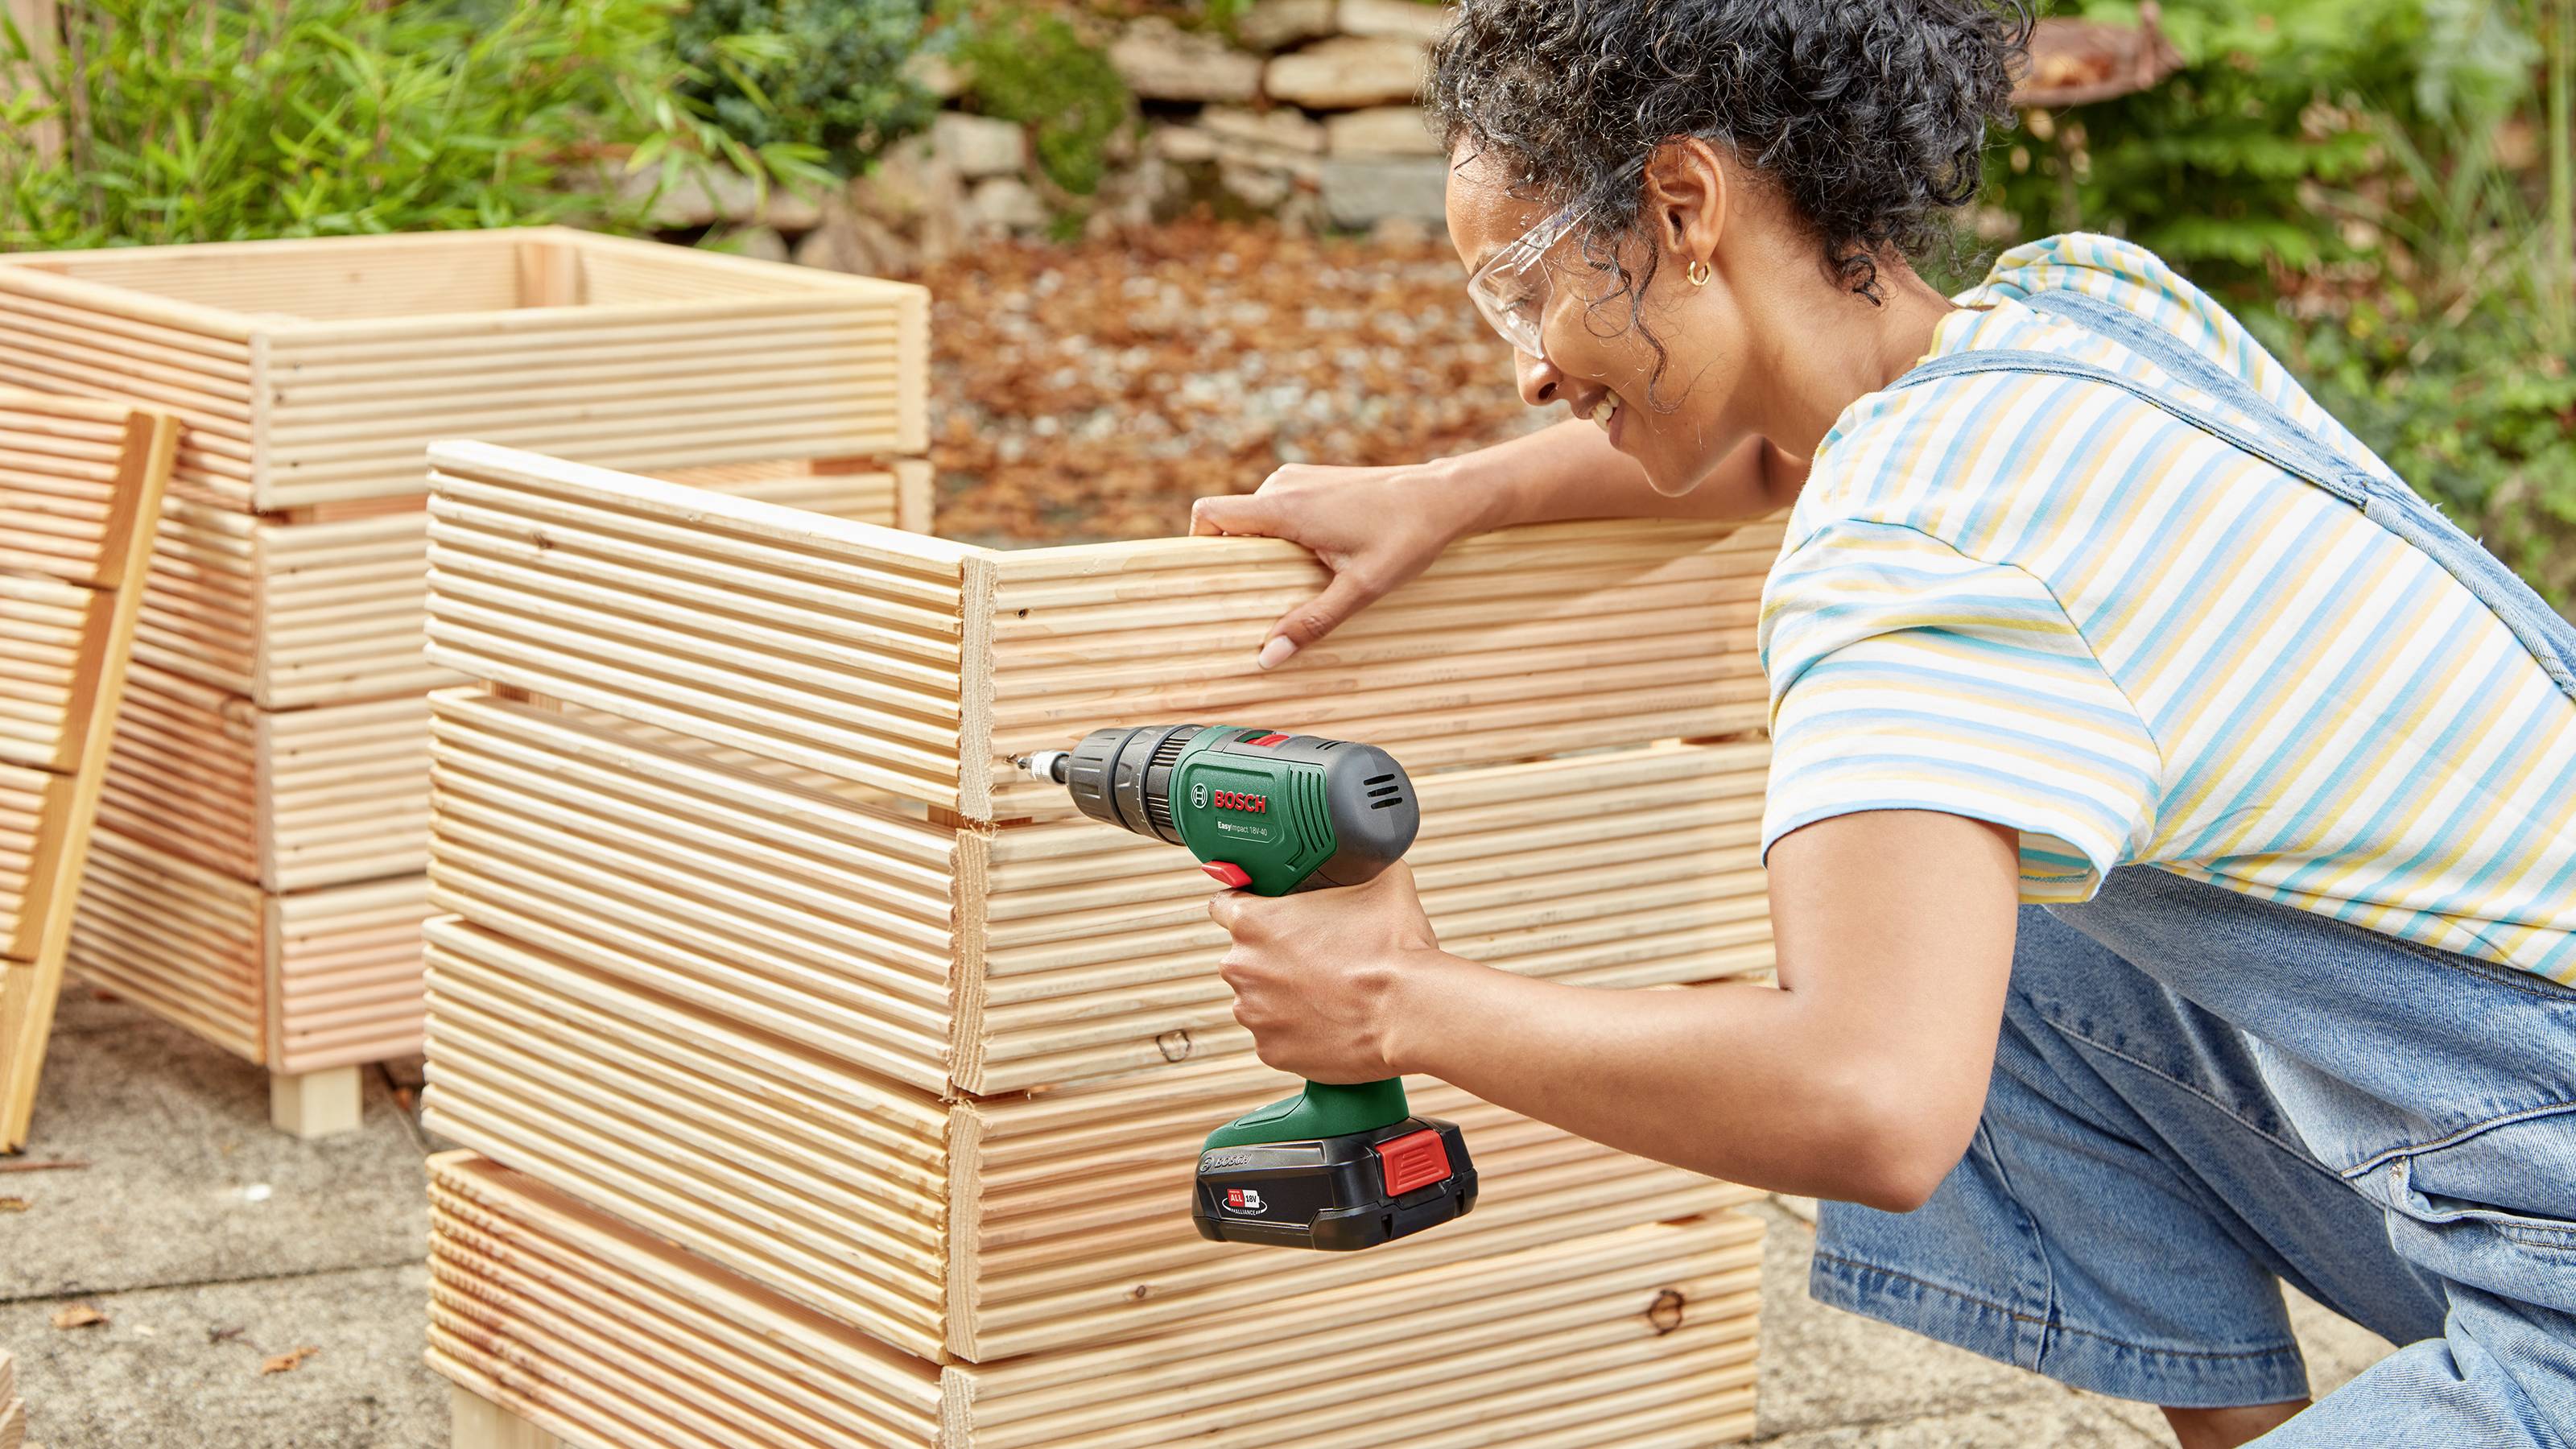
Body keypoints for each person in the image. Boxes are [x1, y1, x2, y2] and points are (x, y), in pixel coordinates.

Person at [1187, 2, 2576, 1446]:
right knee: (1992, 931)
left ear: (1682, 205)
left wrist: (1402, 999)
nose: (1526, 366)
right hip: (2507, 1141)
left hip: (2548, 1221)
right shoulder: (2080, 315)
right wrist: (1454, 490)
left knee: (1898, 984)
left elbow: (1871, 1102)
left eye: (1524, 293)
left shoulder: (1903, 549)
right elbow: (1784, 446)